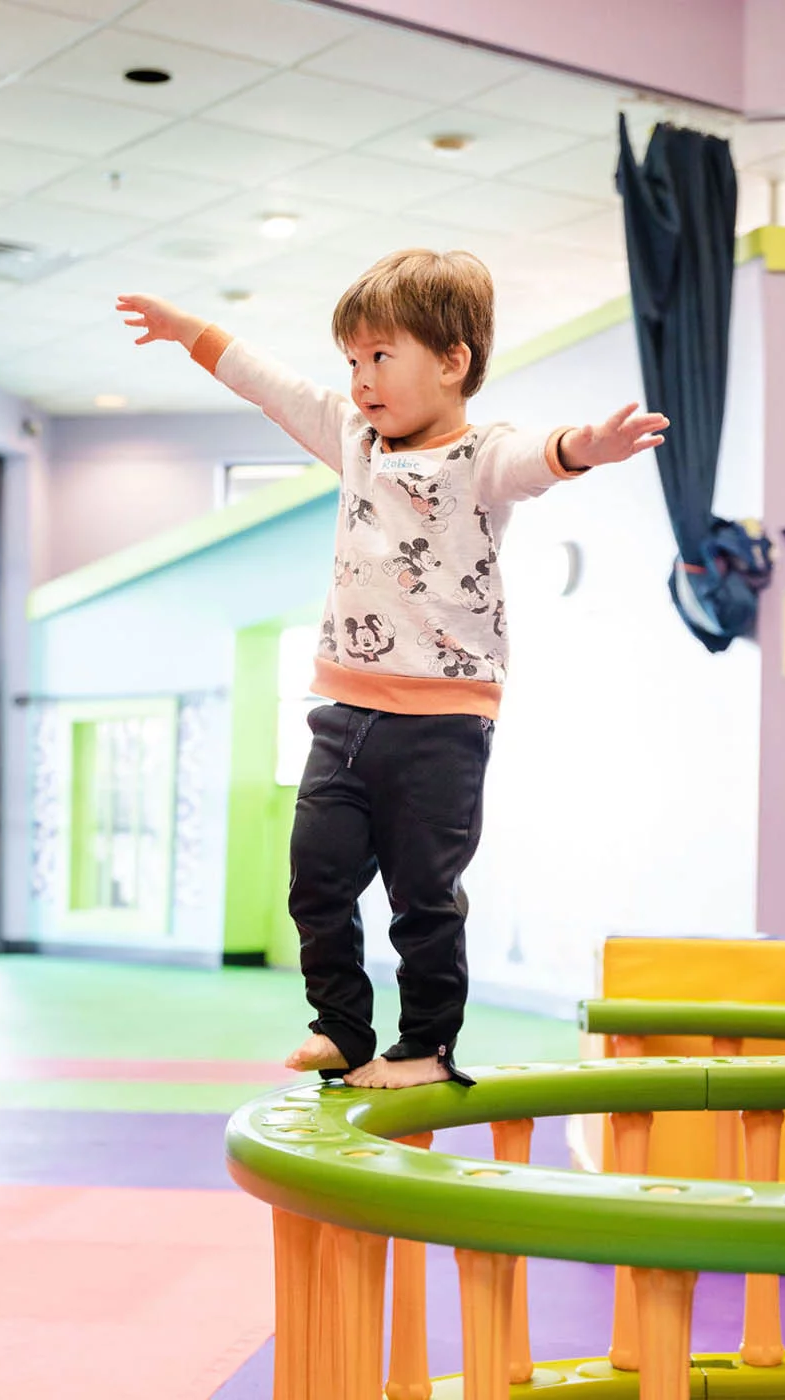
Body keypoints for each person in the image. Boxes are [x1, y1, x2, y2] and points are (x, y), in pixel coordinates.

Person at [117, 249, 667, 1090]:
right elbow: (271, 386)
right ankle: (340, 1025)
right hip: (341, 715)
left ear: (453, 363)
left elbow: (538, 460)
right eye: (353, 359)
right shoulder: (356, 442)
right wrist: (190, 331)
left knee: (424, 898)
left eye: (382, 356)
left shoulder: (482, 457)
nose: (363, 379)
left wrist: (586, 446)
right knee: (316, 878)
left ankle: (426, 1048)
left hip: (443, 723)